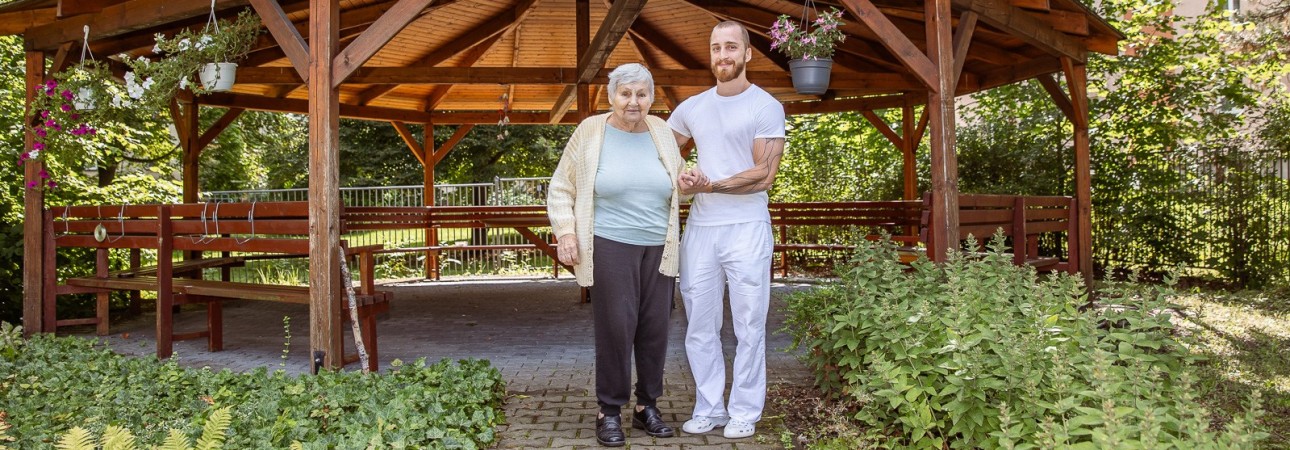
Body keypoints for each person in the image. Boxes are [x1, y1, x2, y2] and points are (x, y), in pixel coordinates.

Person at [546, 63, 685, 447]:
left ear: (651, 98)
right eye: (626, 94)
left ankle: (646, 407)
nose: (633, 102)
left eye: (641, 94)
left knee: (655, 329)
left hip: (660, 244)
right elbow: (560, 187)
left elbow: (676, 183)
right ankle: (608, 411)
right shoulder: (591, 131)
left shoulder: (661, 132)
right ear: (612, 97)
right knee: (616, 328)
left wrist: (688, 183)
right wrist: (567, 232)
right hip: (609, 243)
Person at [668, 20, 787, 440]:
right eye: (717, 48)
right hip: (700, 229)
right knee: (699, 324)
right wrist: (682, 177)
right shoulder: (691, 107)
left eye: (731, 47)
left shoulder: (765, 106)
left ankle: (744, 411)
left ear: (747, 53)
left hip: (747, 227)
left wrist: (711, 184)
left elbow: (764, 174)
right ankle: (709, 407)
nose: (723, 55)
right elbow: (661, 155)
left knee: (749, 325)